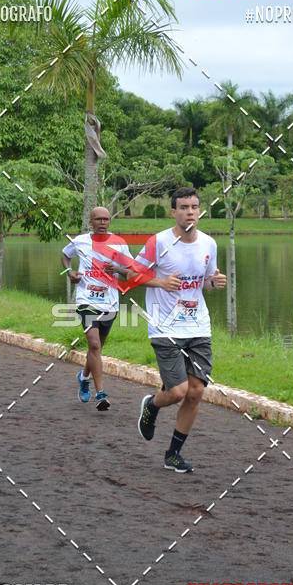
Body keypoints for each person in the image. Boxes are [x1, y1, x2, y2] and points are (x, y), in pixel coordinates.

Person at [130, 187, 226, 473]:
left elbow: (205, 282)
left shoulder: (209, 244)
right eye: (184, 207)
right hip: (164, 325)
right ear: (173, 211)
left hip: (198, 325)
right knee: (178, 391)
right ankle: (152, 405)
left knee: (196, 391)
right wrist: (160, 283)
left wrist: (214, 283)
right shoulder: (158, 242)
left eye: (194, 207)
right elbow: (132, 273)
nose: (190, 212)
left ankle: (173, 454)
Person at [61, 207, 132, 411]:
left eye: (106, 219)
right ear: (90, 221)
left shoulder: (119, 243)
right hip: (86, 300)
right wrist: (69, 272)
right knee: (93, 345)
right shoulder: (81, 241)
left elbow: (131, 271)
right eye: (98, 219)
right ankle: (101, 394)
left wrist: (116, 269)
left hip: (109, 303)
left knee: (97, 349)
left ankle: (84, 377)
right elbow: (65, 254)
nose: (103, 222)